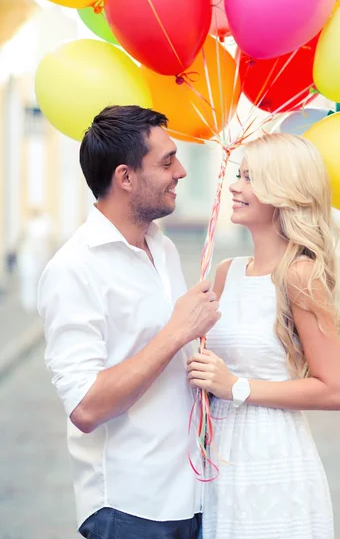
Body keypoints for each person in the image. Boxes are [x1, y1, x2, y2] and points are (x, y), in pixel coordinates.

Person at [38, 106, 220, 539]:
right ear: (125, 177)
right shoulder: (73, 269)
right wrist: (178, 331)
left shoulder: (164, 248)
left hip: (193, 496)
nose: (180, 171)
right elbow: (86, 407)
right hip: (130, 508)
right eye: (166, 161)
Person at [187, 133, 340, 539]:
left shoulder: (299, 275)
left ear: (284, 191)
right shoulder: (226, 272)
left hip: (271, 455)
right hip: (218, 459)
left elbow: (333, 390)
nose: (235, 186)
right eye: (239, 175)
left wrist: (236, 386)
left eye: (250, 178)